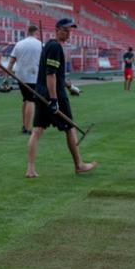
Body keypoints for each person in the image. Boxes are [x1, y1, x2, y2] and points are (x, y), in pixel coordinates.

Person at [26, 18, 97, 178]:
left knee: (37, 130)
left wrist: (70, 87)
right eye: (65, 30)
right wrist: (54, 100)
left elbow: (56, 74)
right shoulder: (56, 47)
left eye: (70, 31)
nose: (68, 34)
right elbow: (50, 74)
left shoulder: (50, 45)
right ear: (57, 29)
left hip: (42, 93)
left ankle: (30, 169)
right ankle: (79, 165)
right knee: (70, 128)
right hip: (53, 95)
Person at [8, 24, 42, 134]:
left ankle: (24, 125)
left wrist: (7, 75)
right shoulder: (40, 45)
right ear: (36, 32)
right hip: (33, 76)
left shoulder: (19, 44)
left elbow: (11, 61)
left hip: (20, 76)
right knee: (31, 100)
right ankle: (27, 128)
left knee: (26, 99)